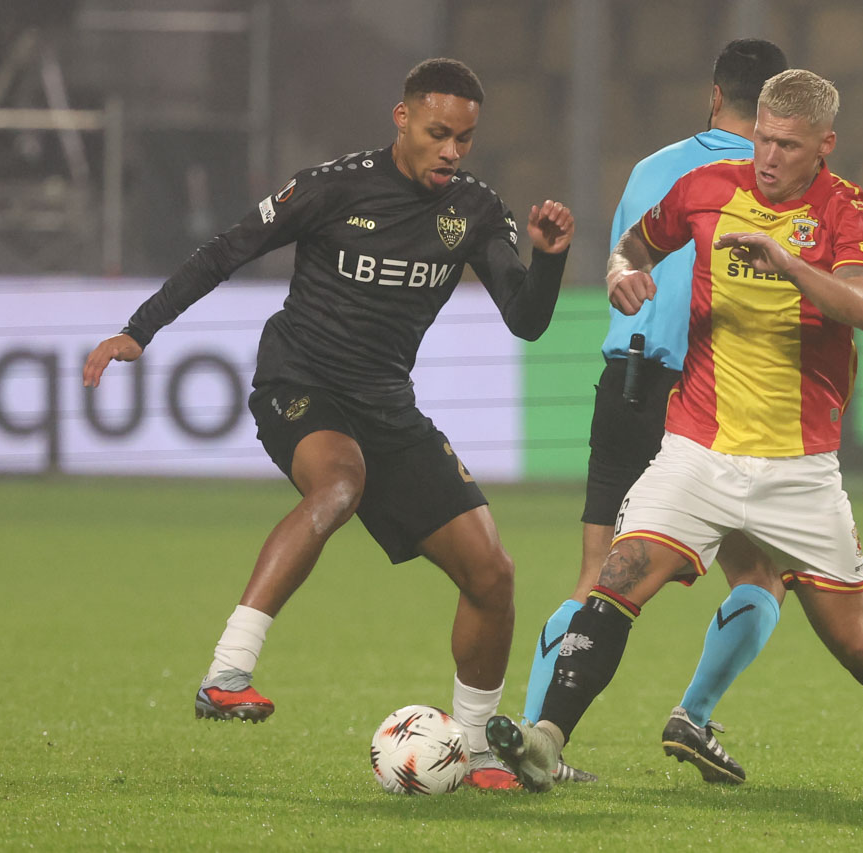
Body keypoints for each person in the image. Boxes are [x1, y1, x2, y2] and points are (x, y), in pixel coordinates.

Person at [82, 58, 575, 791]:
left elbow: (526, 321)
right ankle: (227, 672)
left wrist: (549, 260)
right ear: (402, 118)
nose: (451, 150)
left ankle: (474, 750)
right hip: (300, 384)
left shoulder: (473, 209)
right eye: (438, 133)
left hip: (388, 407)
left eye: (465, 138)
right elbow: (225, 251)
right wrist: (138, 330)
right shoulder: (331, 187)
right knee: (339, 485)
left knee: (491, 573)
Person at [488, 69, 863, 794]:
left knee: (857, 643)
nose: (768, 157)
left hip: (798, 468)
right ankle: (547, 739)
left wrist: (789, 264)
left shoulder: (846, 210)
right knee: (618, 574)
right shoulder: (707, 188)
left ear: (824, 145)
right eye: (762, 138)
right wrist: (619, 274)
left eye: (787, 146)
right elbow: (635, 244)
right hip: (697, 450)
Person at [520, 38, 790, 787]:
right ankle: (692, 715)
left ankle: (538, 740)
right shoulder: (769, 185)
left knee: (594, 575)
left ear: (715, 95)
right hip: (707, 396)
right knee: (762, 574)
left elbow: (627, 261)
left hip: (625, 380)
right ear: (778, 110)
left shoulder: (648, 169)